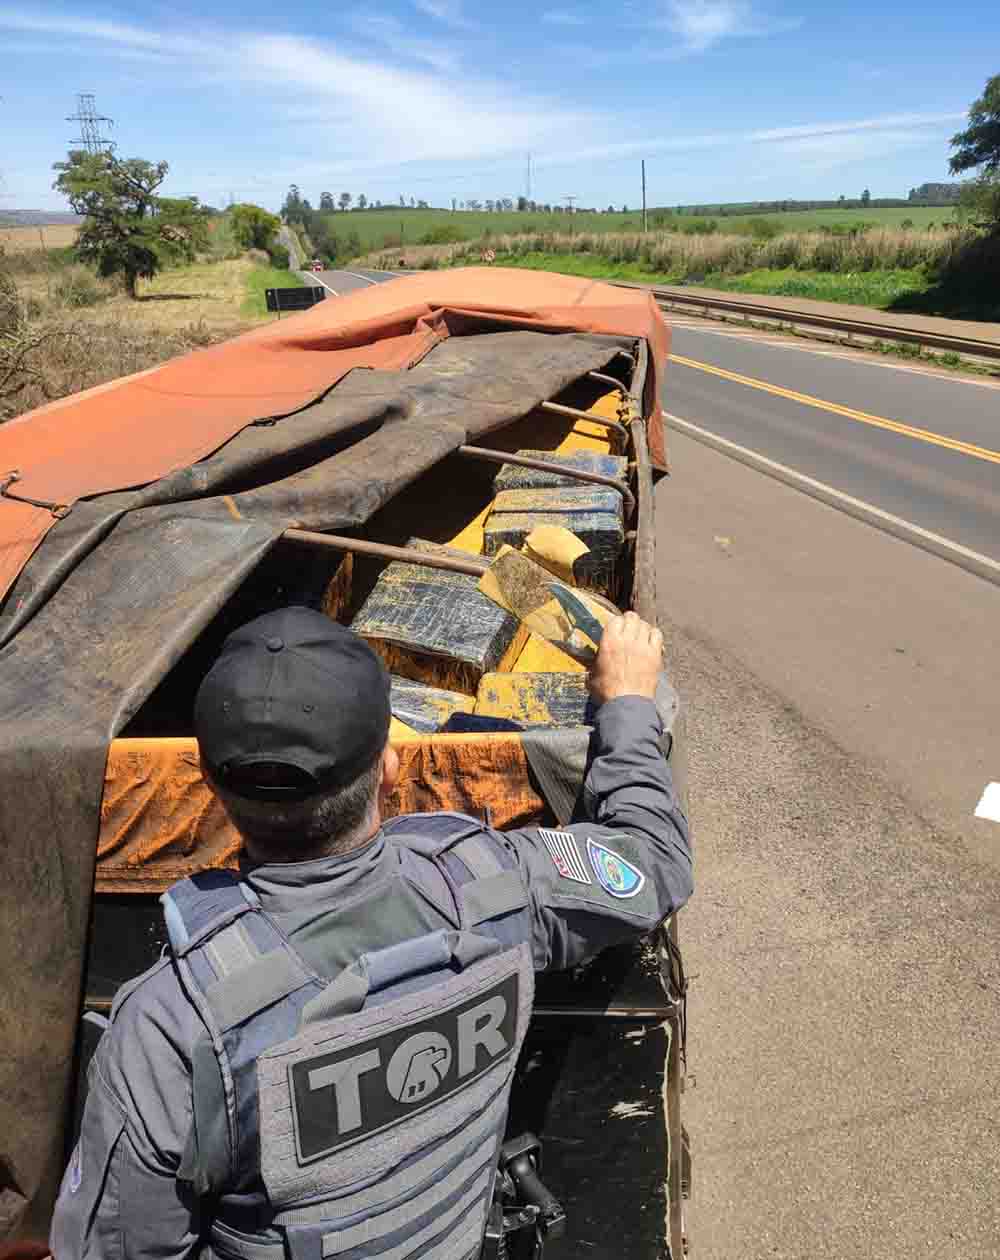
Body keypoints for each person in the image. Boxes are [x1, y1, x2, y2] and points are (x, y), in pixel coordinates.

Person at [51, 606, 692, 1260]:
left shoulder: (173, 1028)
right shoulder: (492, 884)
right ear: (389, 768)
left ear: (211, 787)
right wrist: (629, 704)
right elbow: (653, 861)